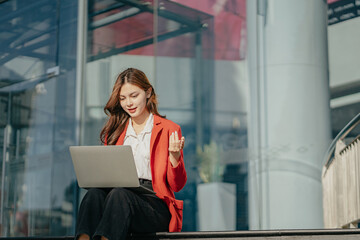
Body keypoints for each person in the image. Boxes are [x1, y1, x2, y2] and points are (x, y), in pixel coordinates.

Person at [75, 68, 187, 240]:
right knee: (94, 195)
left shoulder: (169, 129)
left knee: (120, 194)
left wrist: (174, 157)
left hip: (153, 204)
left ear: (148, 92)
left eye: (134, 96)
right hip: (118, 200)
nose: (128, 103)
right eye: (122, 98)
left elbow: (177, 185)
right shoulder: (116, 132)